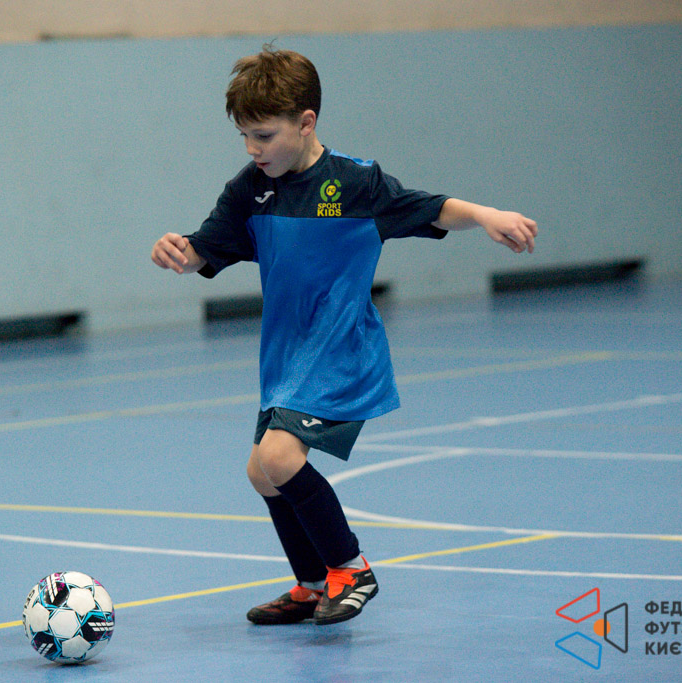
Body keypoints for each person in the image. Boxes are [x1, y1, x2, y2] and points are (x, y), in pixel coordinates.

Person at [151, 46, 537, 626]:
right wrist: (178, 251)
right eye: (245, 137)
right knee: (262, 471)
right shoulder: (250, 189)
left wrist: (485, 215)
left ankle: (351, 569)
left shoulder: (356, 184)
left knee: (278, 457)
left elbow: (431, 208)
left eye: (264, 135)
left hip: (339, 350)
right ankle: (312, 585)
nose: (253, 149)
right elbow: (204, 249)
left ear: (306, 122)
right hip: (286, 355)